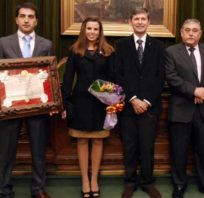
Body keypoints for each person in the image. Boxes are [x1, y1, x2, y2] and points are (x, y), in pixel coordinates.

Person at [165, 18, 204, 198]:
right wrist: (194, 92)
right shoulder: (171, 51)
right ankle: (179, 185)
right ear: (182, 32)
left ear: (200, 33)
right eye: (187, 30)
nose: (191, 33)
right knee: (179, 151)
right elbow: (171, 77)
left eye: (195, 30)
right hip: (181, 110)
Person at [0, 2, 54, 198]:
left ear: (36, 21)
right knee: (7, 150)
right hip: (9, 107)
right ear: (16, 19)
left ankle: (38, 188)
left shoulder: (46, 44)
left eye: (31, 17)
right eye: (23, 16)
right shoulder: (3, 43)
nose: (26, 20)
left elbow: (49, 75)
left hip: (37, 106)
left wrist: (51, 99)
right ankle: (4, 188)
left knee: (39, 149)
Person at [61, 16, 114, 198]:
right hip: (80, 102)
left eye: (95, 29)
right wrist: (66, 103)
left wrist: (113, 103)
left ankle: (94, 180)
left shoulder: (108, 52)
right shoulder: (75, 51)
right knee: (82, 140)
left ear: (100, 32)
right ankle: (84, 180)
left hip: (101, 104)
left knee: (98, 140)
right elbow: (68, 78)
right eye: (89, 28)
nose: (92, 32)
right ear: (84, 30)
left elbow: (112, 80)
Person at [114, 7, 165, 198]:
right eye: (136, 19)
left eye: (143, 19)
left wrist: (146, 101)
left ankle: (147, 182)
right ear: (130, 22)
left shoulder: (159, 46)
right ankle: (129, 182)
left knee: (147, 146)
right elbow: (118, 74)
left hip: (150, 107)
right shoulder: (121, 45)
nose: (140, 22)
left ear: (148, 22)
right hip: (128, 106)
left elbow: (161, 76)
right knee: (130, 146)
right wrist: (133, 99)